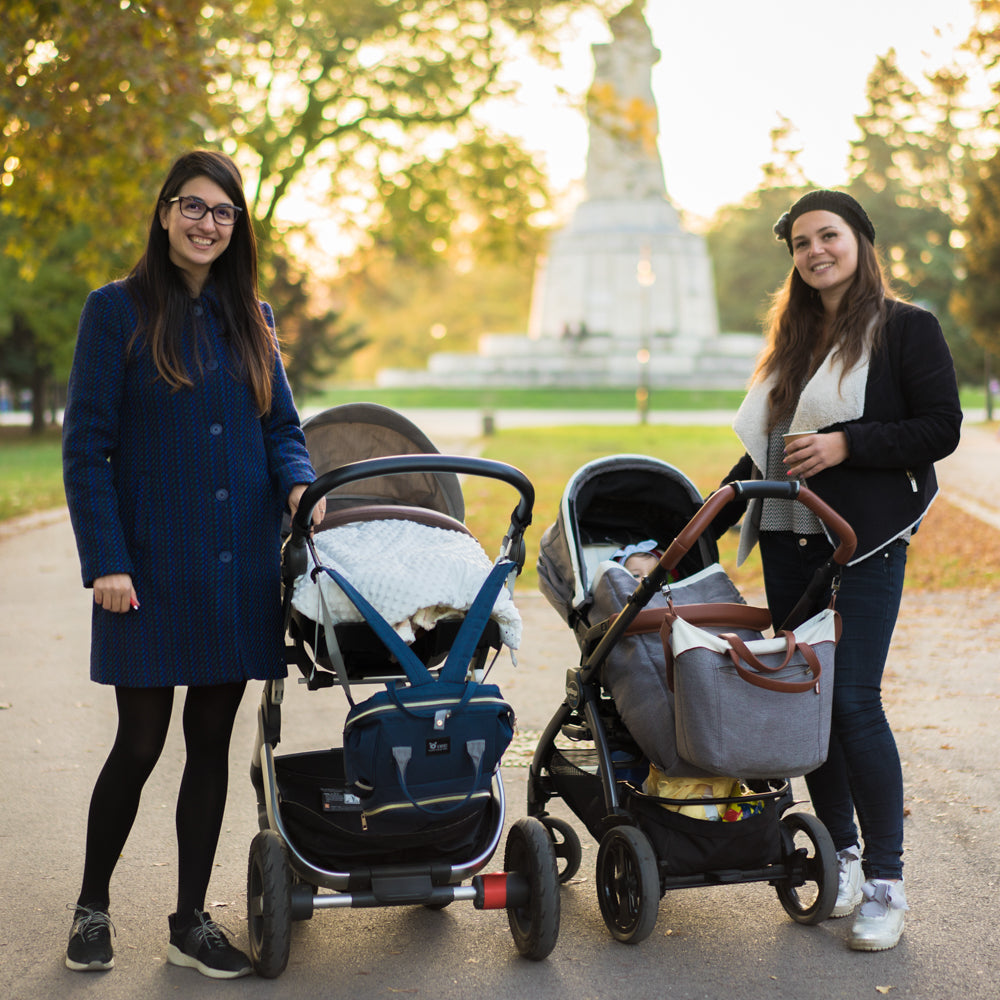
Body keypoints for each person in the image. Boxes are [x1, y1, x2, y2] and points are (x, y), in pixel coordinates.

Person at [62, 150, 326, 978]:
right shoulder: (116, 311)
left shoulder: (255, 315)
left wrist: (298, 488)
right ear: (166, 212)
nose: (207, 223)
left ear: (236, 225)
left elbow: (282, 426)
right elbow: (86, 448)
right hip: (145, 570)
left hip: (236, 568)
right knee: (139, 743)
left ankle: (189, 921)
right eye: (193, 207)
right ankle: (91, 906)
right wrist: (106, 559)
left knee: (211, 742)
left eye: (222, 211)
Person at [711, 189, 962, 952]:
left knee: (852, 702)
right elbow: (767, 454)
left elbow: (940, 427)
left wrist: (849, 444)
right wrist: (690, 530)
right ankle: (843, 857)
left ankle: (887, 884)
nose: (815, 250)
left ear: (860, 240)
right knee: (812, 711)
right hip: (789, 543)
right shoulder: (792, 340)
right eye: (801, 243)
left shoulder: (904, 328)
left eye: (829, 235)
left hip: (863, 542)